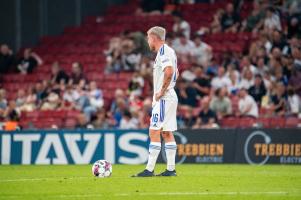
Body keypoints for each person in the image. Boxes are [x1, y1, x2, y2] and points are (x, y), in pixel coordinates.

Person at [133, 26, 178, 177]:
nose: (147, 41)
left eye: (148, 37)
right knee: (166, 132)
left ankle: (149, 169)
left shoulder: (163, 51)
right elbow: (176, 72)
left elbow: (170, 71)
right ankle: (171, 170)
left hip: (165, 98)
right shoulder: (169, 51)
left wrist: (161, 91)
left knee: (154, 131)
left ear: (153, 37)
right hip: (170, 96)